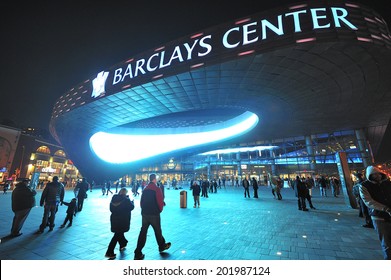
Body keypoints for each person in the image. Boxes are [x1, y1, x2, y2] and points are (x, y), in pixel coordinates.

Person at [134, 173, 171, 260]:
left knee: (143, 233)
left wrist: (144, 210)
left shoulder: (145, 189)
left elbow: (141, 202)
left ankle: (138, 252)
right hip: (154, 214)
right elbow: (160, 201)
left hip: (145, 214)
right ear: (155, 179)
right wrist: (160, 209)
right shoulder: (156, 189)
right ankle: (162, 246)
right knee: (157, 231)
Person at [359, 165, 391, 260]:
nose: (378, 176)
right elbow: (368, 201)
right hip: (379, 217)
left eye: (379, 174)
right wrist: (385, 208)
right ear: (370, 176)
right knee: (386, 243)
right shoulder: (364, 186)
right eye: (374, 175)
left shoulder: (387, 183)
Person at [105, 188, 134, 259]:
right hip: (123, 220)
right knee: (116, 236)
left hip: (114, 220)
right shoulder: (126, 200)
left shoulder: (113, 199)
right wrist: (132, 202)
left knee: (119, 233)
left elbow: (111, 209)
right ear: (125, 193)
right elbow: (131, 207)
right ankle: (109, 252)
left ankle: (123, 244)